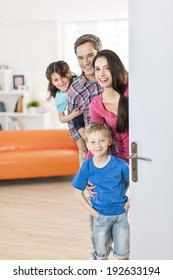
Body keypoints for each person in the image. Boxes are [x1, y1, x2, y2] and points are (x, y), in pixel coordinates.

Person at [72, 122, 130, 260]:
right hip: (100, 217)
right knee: (101, 256)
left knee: (123, 255)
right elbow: (77, 193)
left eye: (102, 140)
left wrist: (127, 205)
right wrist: (93, 213)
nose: (97, 146)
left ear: (109, 141)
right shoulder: (86, 166)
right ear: (87, 145)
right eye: (93, 142)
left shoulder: (121, 165)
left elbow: (135, 186)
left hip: (120, 217)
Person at [67, 34, 103, 159]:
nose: (86, 62)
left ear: (100, 53)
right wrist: (82, 147)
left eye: (90, 56)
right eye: (80, 58)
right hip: (91, 152)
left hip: (118, 149)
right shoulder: (74, 89)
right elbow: (71, 122)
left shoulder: (115, 81)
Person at [89, 49, 129, 161]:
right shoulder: (96, 104)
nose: (101, 74)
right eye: (97, 69)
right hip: (123, 160)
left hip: (147, 155)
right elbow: (95, 136)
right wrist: (87, 168)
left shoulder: (132, 91)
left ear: (116, 68)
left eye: (107, 68)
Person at [46, 60, 85, 139]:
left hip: (88, 116)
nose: (61, 82)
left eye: (63, 76)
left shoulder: (77, 82)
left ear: (69, 74)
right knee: (83, 149)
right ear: (52, 82)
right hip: (75, 124)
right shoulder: (59, 97)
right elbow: (61, 118)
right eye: (56, 80)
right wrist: (72, 115)